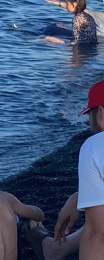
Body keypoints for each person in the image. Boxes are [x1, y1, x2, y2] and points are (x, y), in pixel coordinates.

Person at [37, 79, 104, 260]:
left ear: (101, 114)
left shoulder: (95, 144)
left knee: (96, 223)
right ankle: (57, 250)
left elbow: (98, 233)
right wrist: (80, 197)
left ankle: (55, 250)